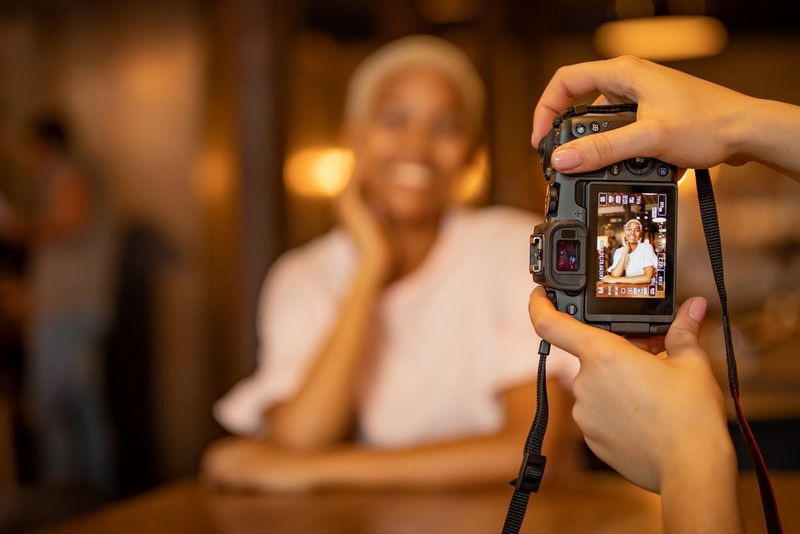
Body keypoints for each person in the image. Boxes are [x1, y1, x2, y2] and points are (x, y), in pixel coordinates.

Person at [201, 35, 579, 492]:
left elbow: (534, 452)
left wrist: (315, 471)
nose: (417, 144)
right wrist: (370, 268)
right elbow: (299, 438)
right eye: (394, 118)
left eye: (445, 126)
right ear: (352, 136)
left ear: (469, 155)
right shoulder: (303, 275)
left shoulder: (510, 247)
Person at [530, 55, 800, 534]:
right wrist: (743, 126)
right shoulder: (619, 256)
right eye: (628, 232)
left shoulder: (645, 258)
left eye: (636, 231)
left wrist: (687, 451)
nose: (632, 236)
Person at [20, 115, 116, 494]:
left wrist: (21, 228)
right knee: (75, 401)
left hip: (71, 311)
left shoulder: (69, 174)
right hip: (69, 309)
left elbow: (71, 222)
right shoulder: (70, 175)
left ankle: (71, 494)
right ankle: (86, 490)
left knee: (59, 403)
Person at [604, 218, 657, 283]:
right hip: (628, 289)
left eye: (636, 230)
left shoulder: (646, 247)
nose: (632, 233)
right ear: (625, 232)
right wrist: (626, 250)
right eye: (629, 229)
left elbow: (647, 278)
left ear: (640, 234)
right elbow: (615, 274)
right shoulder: (619, 251)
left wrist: (616, 280)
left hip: (644, 290)